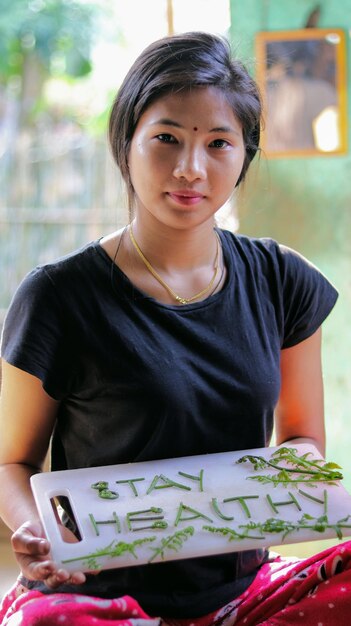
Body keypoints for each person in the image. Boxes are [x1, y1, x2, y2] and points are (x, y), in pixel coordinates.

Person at [0, 31, 350, 626]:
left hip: (241, 591)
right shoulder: (59, 295)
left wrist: (298, 488)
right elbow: (11, 463)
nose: (191, 168)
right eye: (167, 138)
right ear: (126, 141)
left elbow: (300, 442)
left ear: (244, 157)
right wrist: (39, 529)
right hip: (95, 594)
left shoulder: (282, 280)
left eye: (219, 143)